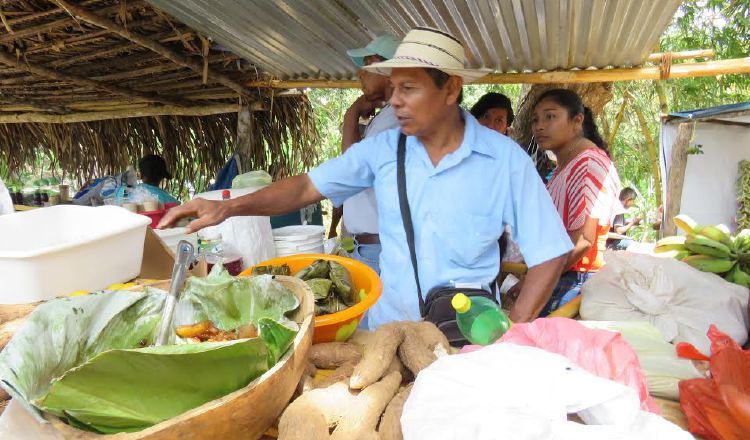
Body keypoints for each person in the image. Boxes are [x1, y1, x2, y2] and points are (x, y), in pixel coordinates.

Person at [159, 28, 572, 328]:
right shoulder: (383, 150)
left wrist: (514, 330)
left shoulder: (503, 160)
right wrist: (227, 207)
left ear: (451, 90)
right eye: (393, 87)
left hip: (463, 339)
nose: (394, 100)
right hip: (389, 330)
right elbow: (305, 187)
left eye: (408, 88)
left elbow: (550, 251)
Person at [519, 88, 622, 315]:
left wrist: (535, 283)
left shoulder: (588, 165)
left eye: (551, 116)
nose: (539, 126)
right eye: (535, 119)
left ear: (577, 121)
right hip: (561, 277)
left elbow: (583, 240)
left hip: (576, 281)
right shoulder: (564, 167)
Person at [327, 34, 401, 274]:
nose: (360, 74)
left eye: (368, 65)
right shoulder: (386, 116)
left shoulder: (394, 119)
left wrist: (353, 112)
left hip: (378, 249)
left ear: (390, 71)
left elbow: (350, 168)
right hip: (369, 246)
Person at [115, 154, 179, 205]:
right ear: (162, 177)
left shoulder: (125, 190)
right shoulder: (170, 200)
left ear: (141, 175)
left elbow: (118, 205)